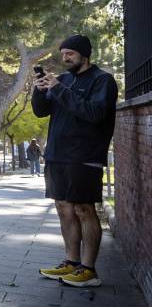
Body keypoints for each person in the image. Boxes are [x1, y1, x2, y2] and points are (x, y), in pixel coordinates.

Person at [33, 35, 118, 288]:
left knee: (84, 209)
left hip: (84, 155)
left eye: (70, 53)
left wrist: (58, 89)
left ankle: (89, 269)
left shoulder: (102, 80)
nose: (65, 58)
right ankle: (71, 263)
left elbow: (94, 113)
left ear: (84, 55)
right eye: (63, 54)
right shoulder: (64, 80)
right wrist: (39, 90)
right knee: (64, 208)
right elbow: (41, 111)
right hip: (57, 154)